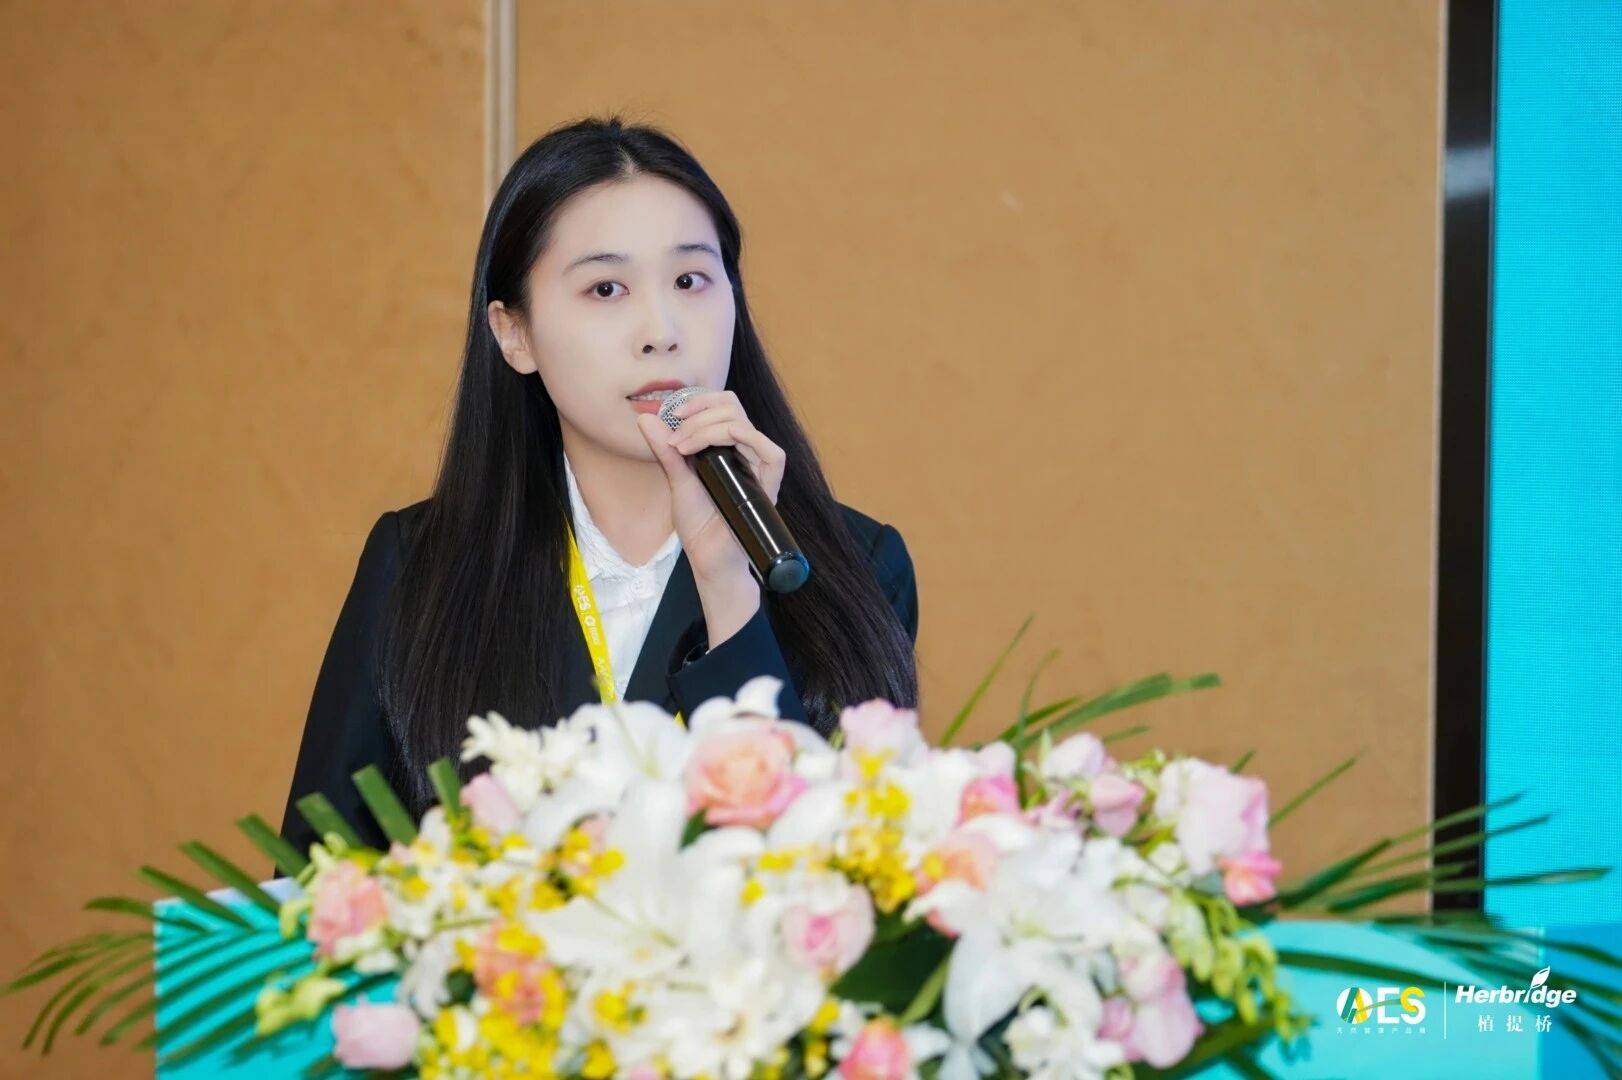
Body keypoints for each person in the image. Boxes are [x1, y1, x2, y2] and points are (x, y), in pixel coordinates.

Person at [278, 116, 919, 861]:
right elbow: (315, 885)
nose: (661, 330)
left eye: (690, 280)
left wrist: (729, 588)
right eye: (606, 288)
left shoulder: (856, 566)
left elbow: (837, 882)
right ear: (514, 334)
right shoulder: (420, 565)